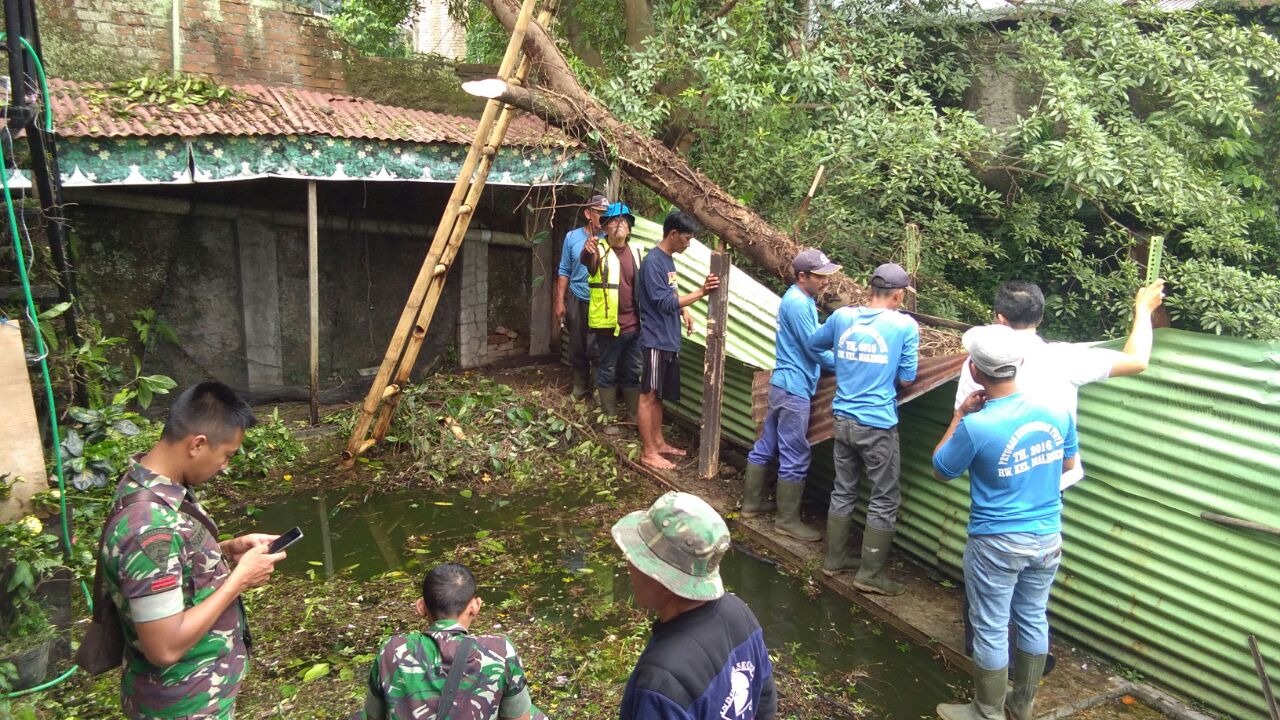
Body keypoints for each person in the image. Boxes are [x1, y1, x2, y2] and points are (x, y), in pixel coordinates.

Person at [952, 279, 1165, 666]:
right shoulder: (1063, 357)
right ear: (1041, 315)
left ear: (998, 318)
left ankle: (985, 653)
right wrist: (1142, 310)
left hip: (998, 487)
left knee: (990, 577)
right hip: (1048, 489)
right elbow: (1137, 360)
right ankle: (1029, 669)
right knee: (1032, 588)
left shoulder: (977, 365)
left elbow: (964, 430)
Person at [98, 381, 285, 719]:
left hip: (201, 692)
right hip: (181, 703)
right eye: (226, 455)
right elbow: (164, 646)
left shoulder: (155, 486)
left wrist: (227, 550)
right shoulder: (149, 526)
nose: (225, 466)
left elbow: (173, 562)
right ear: (198, 444)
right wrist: (238, 581)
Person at [932, 324, 1078, 720]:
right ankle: (1022, 704)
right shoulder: (1056, 408)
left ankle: (987, 710)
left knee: (992, 625)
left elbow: (942, 468)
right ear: (1019, 365)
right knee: (1033, 615)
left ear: (975, 372)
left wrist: (961, 414)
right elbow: (1068, 464)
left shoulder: (978, 426)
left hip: (996, 542)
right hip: (1048, 536)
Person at [612, 492, 777, 720]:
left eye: (637, 557)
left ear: (661, 577)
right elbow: (764, 703)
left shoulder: (662, 681)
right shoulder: (739, 612)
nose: (629, 564)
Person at [807, 263, 918, 594]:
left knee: (843, 489)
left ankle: (834, 559)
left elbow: (814, 344)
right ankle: (869, 576)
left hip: (842, 419)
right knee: (884, 498)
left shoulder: (842, 318)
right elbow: (908, 379)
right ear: (898, 295)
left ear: (870, 290)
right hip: (877, 424)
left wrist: (840, 365)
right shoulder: (904, 326)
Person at [355, 563, 545, 720]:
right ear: (475, 606)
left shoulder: (392, 649)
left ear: (421, 607)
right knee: (535, 715)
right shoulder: (500, 650)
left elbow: (374, 716)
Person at [742, 249, 840, 543]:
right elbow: (813, 347)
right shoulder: (798, 303)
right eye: (820, 276)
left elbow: (812, 338)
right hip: (794, 387)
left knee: (767, 443)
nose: (825, 282)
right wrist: (843, 364)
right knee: (795, 453)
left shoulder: (800, 300)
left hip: (782, 384)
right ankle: (786, 521)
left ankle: (752, 504)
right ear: (802, 277)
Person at [635, 210, 719, 470]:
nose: (688, 244)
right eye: (686, 238)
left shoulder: (667, 260)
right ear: (672, 234)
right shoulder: (653, 262)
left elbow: (670, 293)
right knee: (648, 395)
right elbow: (661, 301)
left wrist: (685, 310)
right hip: (655, 339)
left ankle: (658, 443)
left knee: (658, 394)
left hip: (668, 337)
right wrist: (702, 292)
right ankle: (648, 452)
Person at [582, 202, 644, 435]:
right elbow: (589, 263)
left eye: (624, 221)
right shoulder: (596, 248)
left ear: (629, 229)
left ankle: (633, 416)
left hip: (634, 326)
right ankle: (609, 419)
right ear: (605, 227)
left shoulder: (638, 251)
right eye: (614, 221)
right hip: (608, 326)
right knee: (607, 369)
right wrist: (587, 250)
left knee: (633, 370)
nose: (619, 225)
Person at [555, 193, 609, 399]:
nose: (603, 218)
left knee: (598, 345)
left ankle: (598, 388)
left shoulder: (610, 239)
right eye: (599, 213)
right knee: (577, 343)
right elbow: (564, 270)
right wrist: (559, 301)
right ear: (588, 214)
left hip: (601, 300)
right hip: (577, 297)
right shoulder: (572, 237)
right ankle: (579, 385)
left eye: (606, 214)